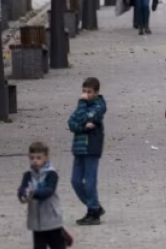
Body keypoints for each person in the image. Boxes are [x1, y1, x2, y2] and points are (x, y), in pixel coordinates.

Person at [67, 76, 106, 225]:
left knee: (90, 181)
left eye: (89, 92)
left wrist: (82, 104)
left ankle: (93, 211)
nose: (85, 95)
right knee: (75, 181)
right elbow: (71, 123)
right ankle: (94, 206)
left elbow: (86, 116)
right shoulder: (81, 105)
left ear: (96, 92)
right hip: (78, 147)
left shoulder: (99, 105)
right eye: (83, 92)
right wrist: (83, 127)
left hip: (91, 147)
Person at [17, 141, 70, 249]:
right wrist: (22, 193)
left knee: (57, 245)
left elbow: (48, 191)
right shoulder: (28, 174)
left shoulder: (51, 174)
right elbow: (23, 188)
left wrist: (33, 193)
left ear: (46, 158)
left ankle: (62, 237)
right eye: (32, 158)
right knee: (39, 246)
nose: (35, 161)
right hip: (36, 222)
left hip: (52, 219)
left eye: (38, 158)